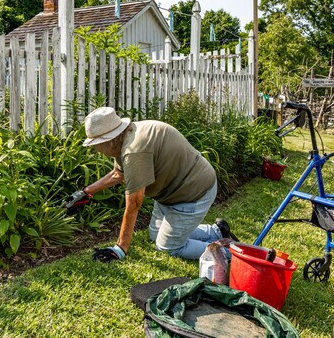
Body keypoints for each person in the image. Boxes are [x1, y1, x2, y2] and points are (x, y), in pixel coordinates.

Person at [76, 107, 238, 263]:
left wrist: (120, 248)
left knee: (168, 247)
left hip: (193, 192)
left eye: (96, 144)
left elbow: (134, 203)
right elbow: (118, 174)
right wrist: (86, 191)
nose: (95, 149)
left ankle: (230, 253)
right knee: (156, 235)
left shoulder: (134, 151)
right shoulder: (127, 136)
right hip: (171, 193)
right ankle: (217, 231)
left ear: (109, 140)